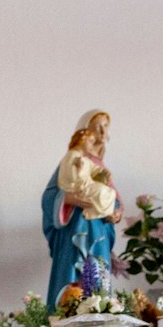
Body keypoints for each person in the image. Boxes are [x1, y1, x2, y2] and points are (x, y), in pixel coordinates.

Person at [41, 109, 121, 306]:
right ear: (86, 132)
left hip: (99, 231)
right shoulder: (72, 160)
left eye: (105, 127)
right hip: (76, 228)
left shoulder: (100, 167)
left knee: (98, 278)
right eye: (97, 127)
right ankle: (64, 319)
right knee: (72, 279)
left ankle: (99, 317)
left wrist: (116, 213)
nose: (102, 132)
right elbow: (49, 196)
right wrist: (68, 199)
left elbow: (113, 197)